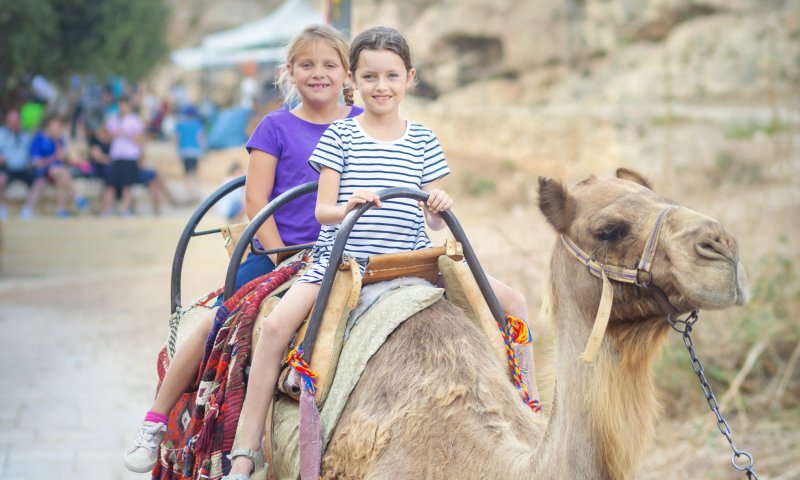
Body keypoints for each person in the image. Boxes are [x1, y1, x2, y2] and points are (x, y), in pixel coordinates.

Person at [225, 26, 537, 479]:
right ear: (354, 81)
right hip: (345, 261)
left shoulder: (423, 139)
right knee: (274, 327)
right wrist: (347, 204)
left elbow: (431, 216)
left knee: (513, 303)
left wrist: (439, 205)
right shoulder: (340, 136)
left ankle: (526, 411)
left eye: (391, 76)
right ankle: (245, 449)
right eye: (370, 77)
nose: (381, 87)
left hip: (410, 260)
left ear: (409, 78)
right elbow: (324, 210)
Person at [123, 24, 362, 473]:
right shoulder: (275, 127)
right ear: (289, 72)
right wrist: (282, 257)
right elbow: (257, 203)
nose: (319, 74)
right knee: (222, 319)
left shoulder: (361, 124)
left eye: (330, 65)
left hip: (343, 249)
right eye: (307, 65)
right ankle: (155, 419)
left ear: (347, 74)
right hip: (282, 250)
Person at [28, 115, 87, 218]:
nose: (58, 128)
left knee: (61, 177)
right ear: (48, 125)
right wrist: (53, 158)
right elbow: (36, 163)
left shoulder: (59, 139)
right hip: (42, 170)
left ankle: (61, 210)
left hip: (57, 171)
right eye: (56, 125)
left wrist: (60, 151)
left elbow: (63, 158)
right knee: (60, 171)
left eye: (59, 126)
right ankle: (77, 197)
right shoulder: (39, 139)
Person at [101, 96, 144, 215]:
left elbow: (140, 140)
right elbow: (105, 137)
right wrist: (112, 134)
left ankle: (124, 209)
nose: (122, 107)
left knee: (127, 185)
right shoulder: (114, 119)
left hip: (129, 156)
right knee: (111, 184)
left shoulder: (135, 120)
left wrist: (126, 134)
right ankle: (106, 209)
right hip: (116, 156)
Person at [0, 110, 37, 220]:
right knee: (1, 179)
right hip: (7, 168)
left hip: (24, 169)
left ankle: (27, 210)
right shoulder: (1, 134)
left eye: (16, 121)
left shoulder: (26, 136)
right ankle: (2, 209)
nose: (14, 123)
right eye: (11, 121)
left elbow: (32, 154)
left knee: (40, 180)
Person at [174, 105, 205, 202]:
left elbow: (176, 139)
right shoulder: (197, 125)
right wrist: (203, 150)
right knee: (193, 173)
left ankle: (189, 193)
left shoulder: (180, 125)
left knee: (187, 173)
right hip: (195, 152)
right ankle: (195, 193)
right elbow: (201, 138)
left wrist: (176, 151)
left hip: (184, 152)